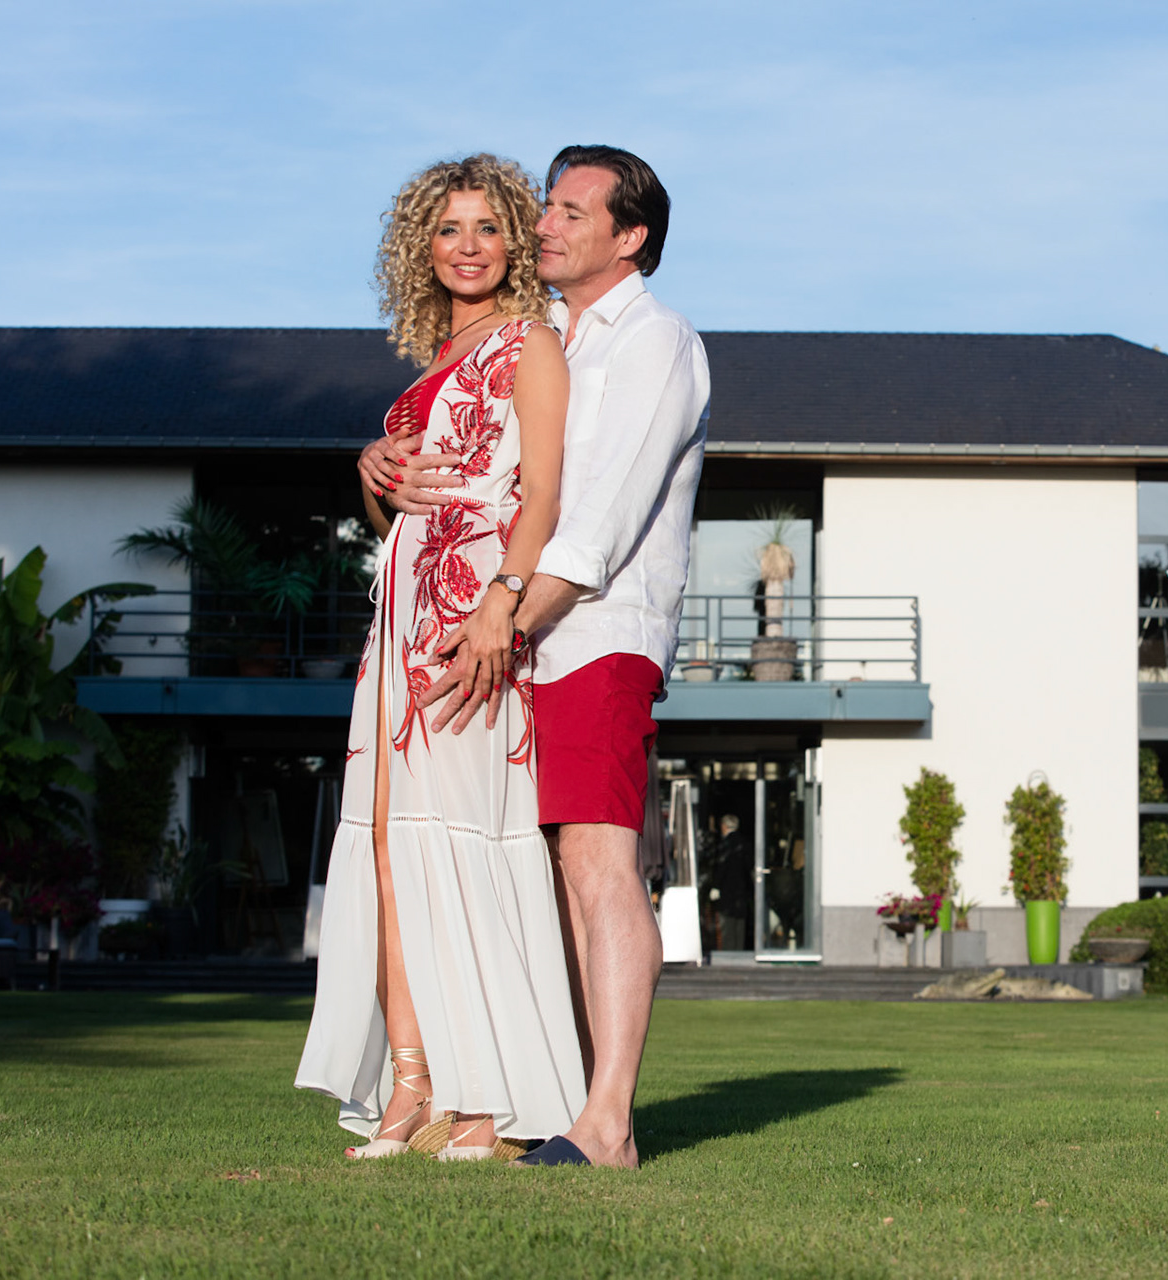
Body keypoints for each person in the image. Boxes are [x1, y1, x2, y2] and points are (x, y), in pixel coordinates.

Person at [360, 145, 710, 1169]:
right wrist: (373, 465)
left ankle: (607, 1122)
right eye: (545, 208)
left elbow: (597, 524)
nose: (543, 224)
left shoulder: (657, 341)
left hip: (594, 632)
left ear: (629, 235)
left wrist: (501, 612)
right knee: (535, 863)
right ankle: (540, 1095)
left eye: (568, 210)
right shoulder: (542, 338)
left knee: (598, 861)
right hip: (518, 639)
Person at [295, 154, 586, 1162]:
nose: (467, 245)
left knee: (461, 835)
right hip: (400, 613)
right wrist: (369, 471)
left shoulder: (530, 344)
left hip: (473, 615)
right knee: (387, 845)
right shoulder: (424, 373)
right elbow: (402, 504)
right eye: (448, 228)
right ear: (422, 246)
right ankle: (410, 1084)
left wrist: (503, 602)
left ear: (515, 242)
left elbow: (543, 490)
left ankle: (491, 1095)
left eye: (487, 227)